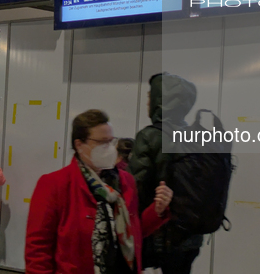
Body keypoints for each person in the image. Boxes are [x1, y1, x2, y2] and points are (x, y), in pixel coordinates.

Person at [25, 109, 173, 274]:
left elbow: (132, 233)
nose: (109, 148)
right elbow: (38, 248)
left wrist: (157, 211)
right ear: (79, 145)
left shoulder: (125, 182)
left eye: (111, 141)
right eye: (102, 142)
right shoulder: (55, 184)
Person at [128, 72, 203, 274]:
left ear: (160, 102)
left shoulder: (149, 136)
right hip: (191, 237)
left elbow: (136, 189)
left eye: (150, 97)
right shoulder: (197, 137)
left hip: (157, 235)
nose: (147, 102)